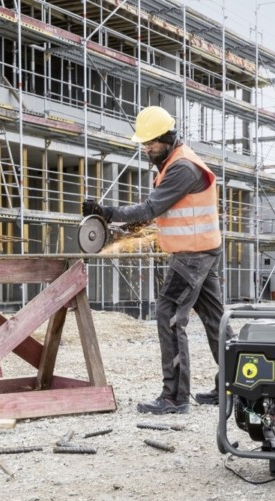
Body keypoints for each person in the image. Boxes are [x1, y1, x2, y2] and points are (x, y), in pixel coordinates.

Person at [83, 106, 229, 414]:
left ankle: (174, 398)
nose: (146, 148)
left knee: (169, 314)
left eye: (150, 142)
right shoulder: (173, 163)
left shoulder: (182, 169)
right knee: (216, 320)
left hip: (193, 255)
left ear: (166, 137)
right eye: (144, 143)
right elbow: (160, 213)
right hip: (201, 250)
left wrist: (107, 213)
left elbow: (150, 209)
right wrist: (119, 231)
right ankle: (234, 385)